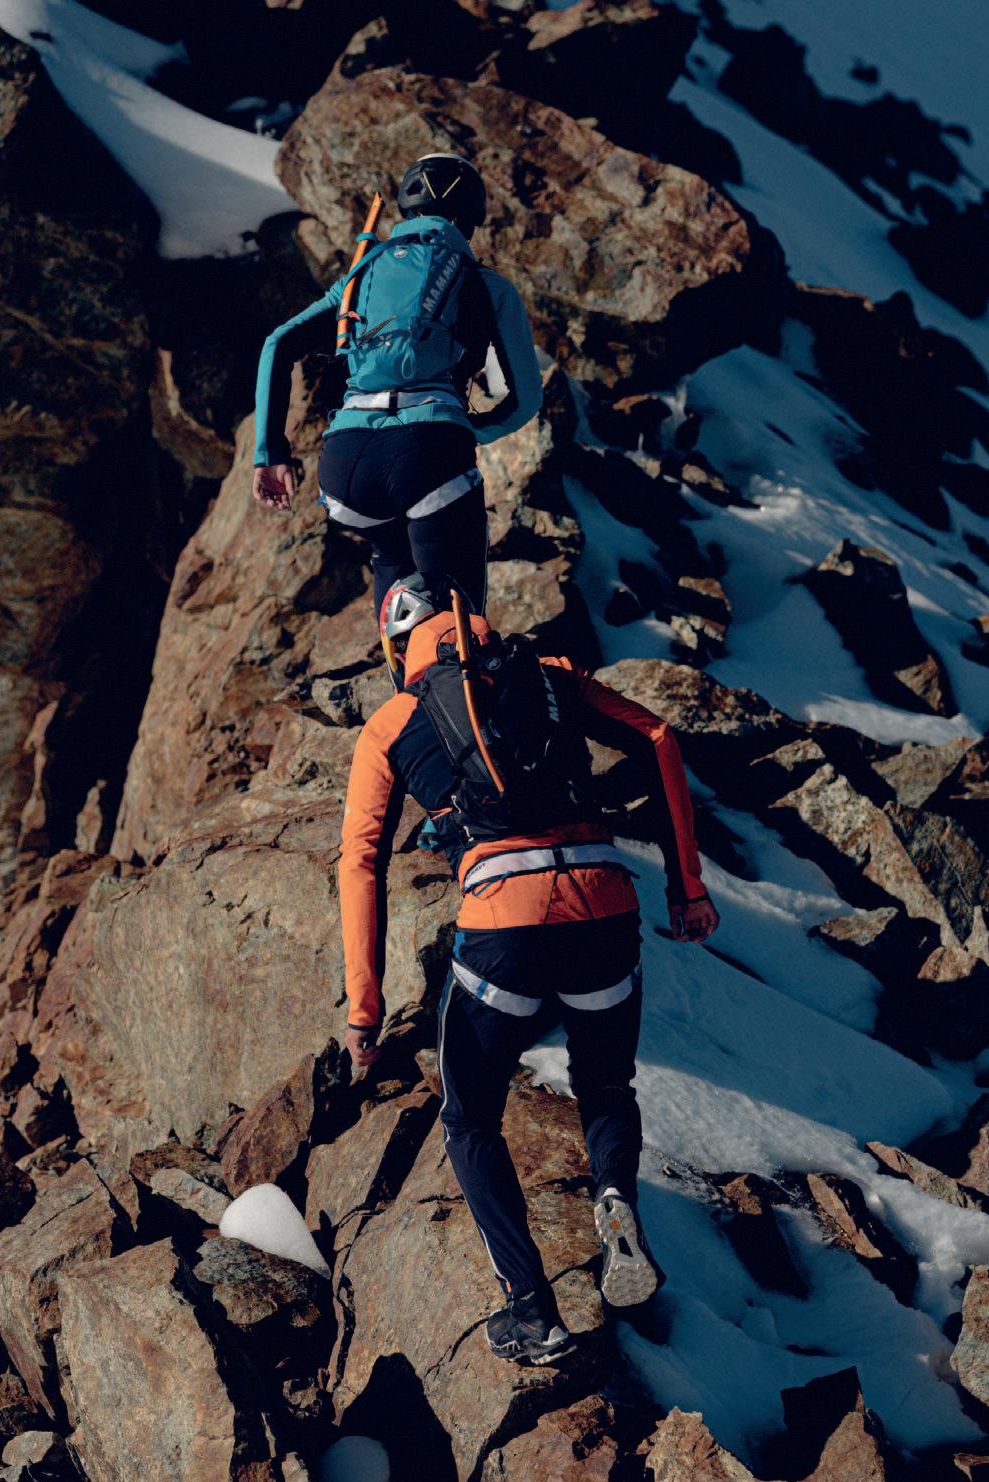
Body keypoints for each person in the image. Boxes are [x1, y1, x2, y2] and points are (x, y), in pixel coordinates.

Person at [337, 574, 720, 1366]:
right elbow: (657, 738)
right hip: (604, 906)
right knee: (605, 1087)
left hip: (503, 925)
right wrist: (686, 889)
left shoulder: (391, 722)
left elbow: (360, 863)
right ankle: (611, 1195)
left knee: (469, 1119)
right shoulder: (545, 675)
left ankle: (530, 1310)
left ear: (396, 648)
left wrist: (364, 1010)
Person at [251, 154, 542, 618]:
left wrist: (270, 454)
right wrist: (470, 430)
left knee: (392, 561)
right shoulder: (487, 285)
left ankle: (403, 660)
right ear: (471, 218)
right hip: (431, 452)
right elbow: (526, 399)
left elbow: (277, 344)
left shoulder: (358, 279)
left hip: (346, 465)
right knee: (457, 616)